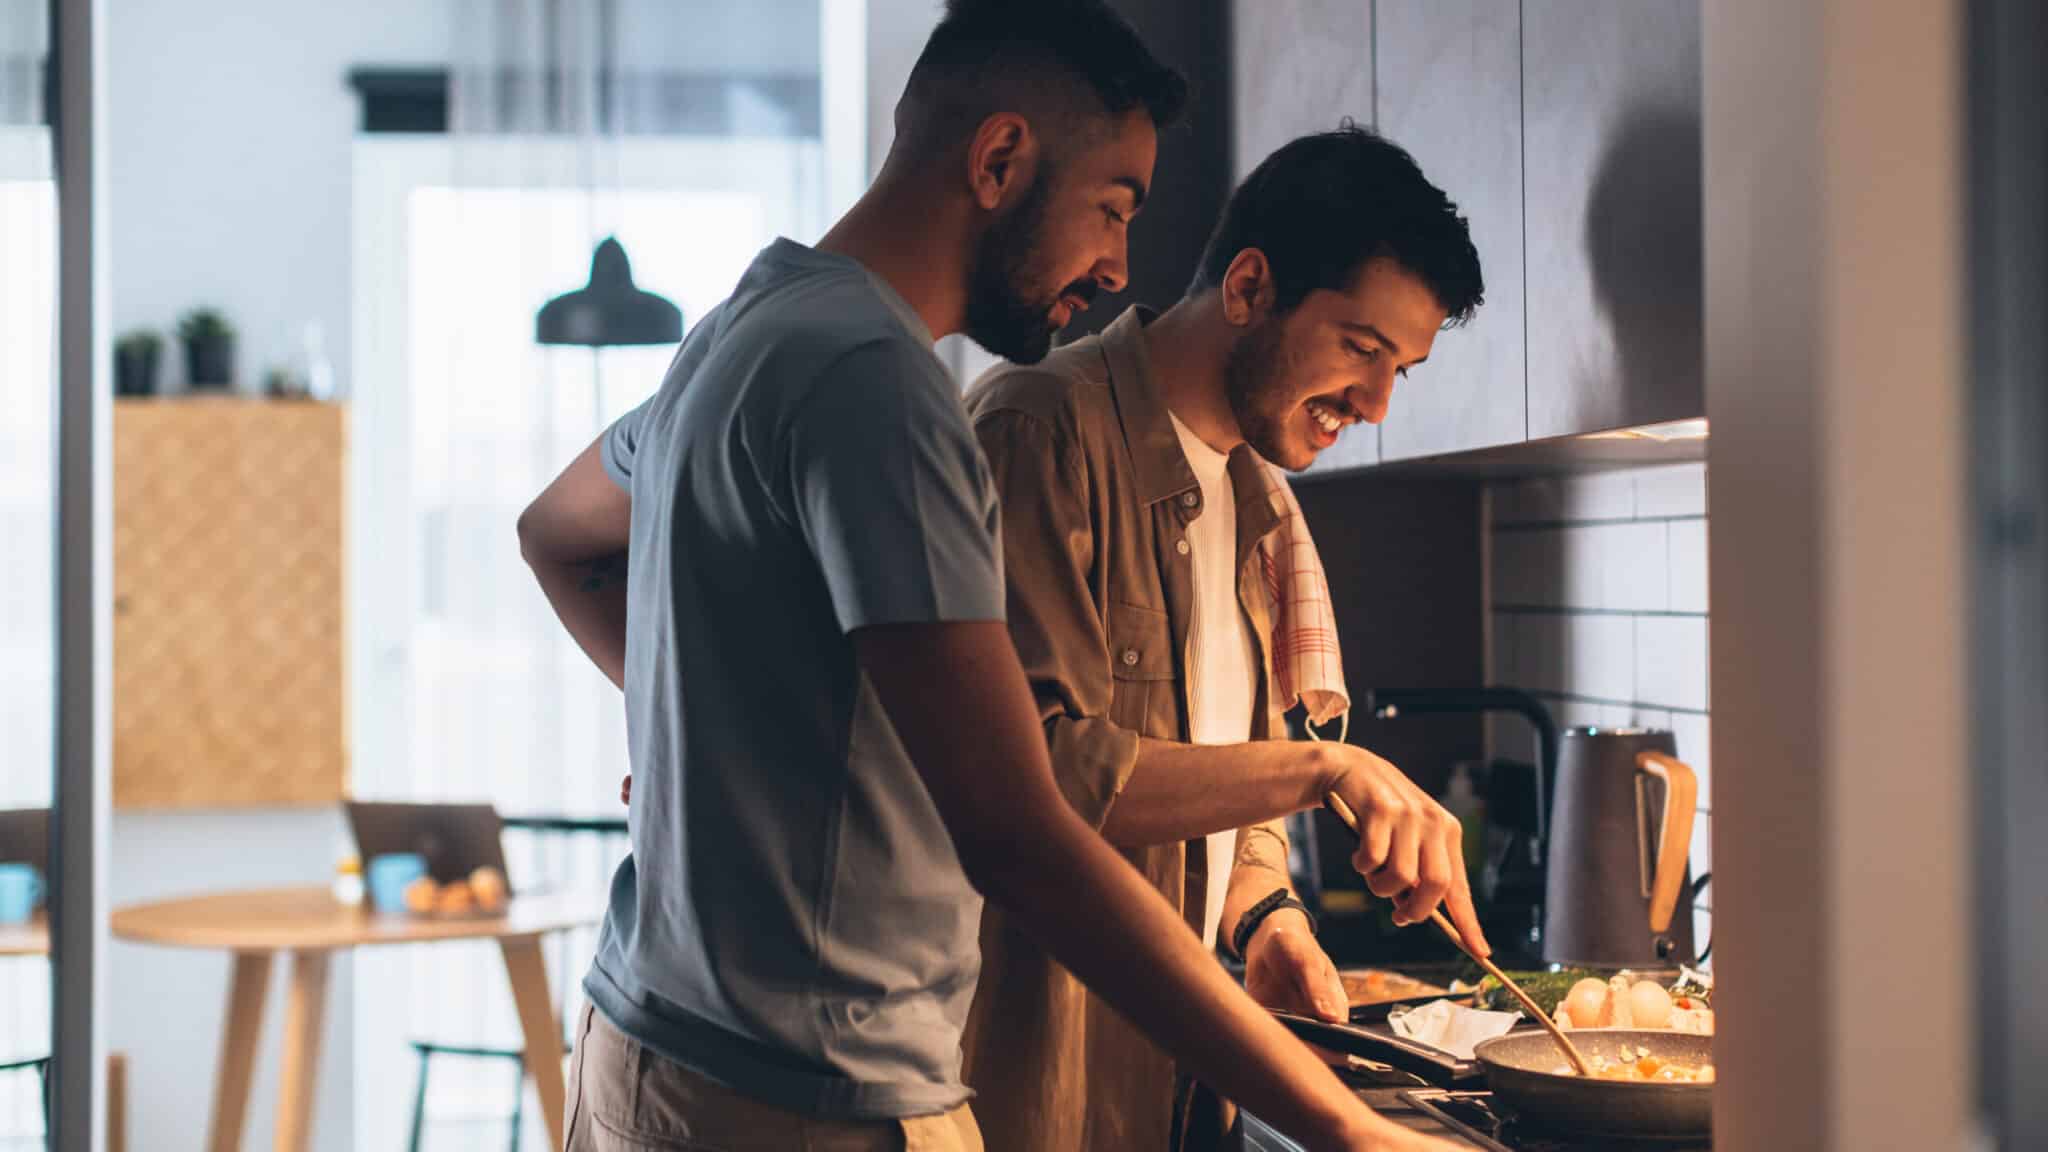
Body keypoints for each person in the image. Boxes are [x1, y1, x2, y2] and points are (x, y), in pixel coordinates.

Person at [518, 1, 1467, 1148]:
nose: (1119, 265)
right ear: (1000, 159)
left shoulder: (740, 333)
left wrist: (713, 728)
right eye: (1111, 208)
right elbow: (1019, 833)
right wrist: (1341, 1127)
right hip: (810, 1097)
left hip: (646, 1050)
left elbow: (558, 531)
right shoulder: (877, 382)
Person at [960, 127, 1490, 1151]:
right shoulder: (1037, 433)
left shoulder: (1255, 503)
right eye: (1360, 348)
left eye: (1402, 370)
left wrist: (1263, 918)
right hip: (1033, 1090)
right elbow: (1035, 779)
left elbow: (1207, 780)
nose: (1376, 405)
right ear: (1248, 287)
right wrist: (1321, 768)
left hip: (1174, 1090)